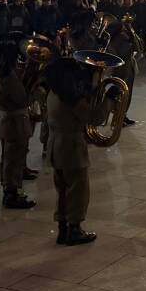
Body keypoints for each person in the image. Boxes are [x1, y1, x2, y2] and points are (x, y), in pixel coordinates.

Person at [44, 57, 99, 245]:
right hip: (71, 145)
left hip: (55, 144)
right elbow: (93, 117)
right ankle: (74, 229)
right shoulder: (71, 99)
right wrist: (107, 99)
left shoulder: (53, 92)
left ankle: (63, 227)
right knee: (77, 189)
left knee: (62, 189)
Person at [0, 41, 35, 210]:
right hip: (15, 120)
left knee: (7, 156)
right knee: (13, 158)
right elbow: (22, 98)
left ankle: (9, 187)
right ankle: (11, 193)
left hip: (4, 118)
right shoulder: (7, 76)